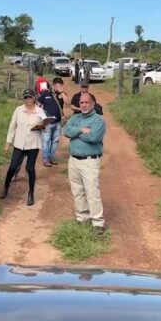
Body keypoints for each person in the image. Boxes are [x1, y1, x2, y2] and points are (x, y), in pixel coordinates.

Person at [63, 93, 107, 236]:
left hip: (90, 161)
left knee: (92, 192)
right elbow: (66, 131)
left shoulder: (98, 120)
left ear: (93, 104)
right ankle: (82, 218)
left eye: (87, 102)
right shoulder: (75, 117)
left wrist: (75, 132)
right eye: (82, 102)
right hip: (74, 160)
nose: (84, 105)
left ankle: (97, 223)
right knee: (77, 190)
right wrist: (82, 130)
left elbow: (94, 137)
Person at [0, 89, 47, 206]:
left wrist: (42, 126)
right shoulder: (18, 110)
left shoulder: (40, 111)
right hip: (19, 143)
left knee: (30, 168)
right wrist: (8, 142)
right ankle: (6, 186)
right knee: (13, 167)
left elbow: (46, 126)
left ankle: (31, 193)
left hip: (33, 143)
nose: (28, 100)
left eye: (30, 97)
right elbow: (12, 126)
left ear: (34, 98)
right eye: (25, 97)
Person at [38, 77, 68, 167]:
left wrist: (62, 92)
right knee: (46, 141)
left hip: (58, 122)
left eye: (62, 86)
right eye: (59, 86)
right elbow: (38, 105)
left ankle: (51, 157)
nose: (60, 87)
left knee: (55, 141)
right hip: (47, 123)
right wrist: (41, 118)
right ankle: (46, 159)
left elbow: (68, 103)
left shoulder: (62, 94)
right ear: (53, 85)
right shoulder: (45, 94)